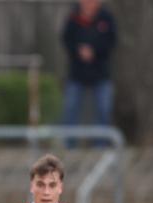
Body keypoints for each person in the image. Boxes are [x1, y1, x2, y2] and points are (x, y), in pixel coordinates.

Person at [60, 0, 116, 142]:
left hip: (101, 73)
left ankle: (100, 146)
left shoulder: (106, 18)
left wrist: (94, 51)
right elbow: (66, 39)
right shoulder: (73, 17)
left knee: (104, 110)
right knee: (70, 110)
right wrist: (79, 50)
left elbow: (112, 41)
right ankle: (70, 146)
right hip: (77, 73)